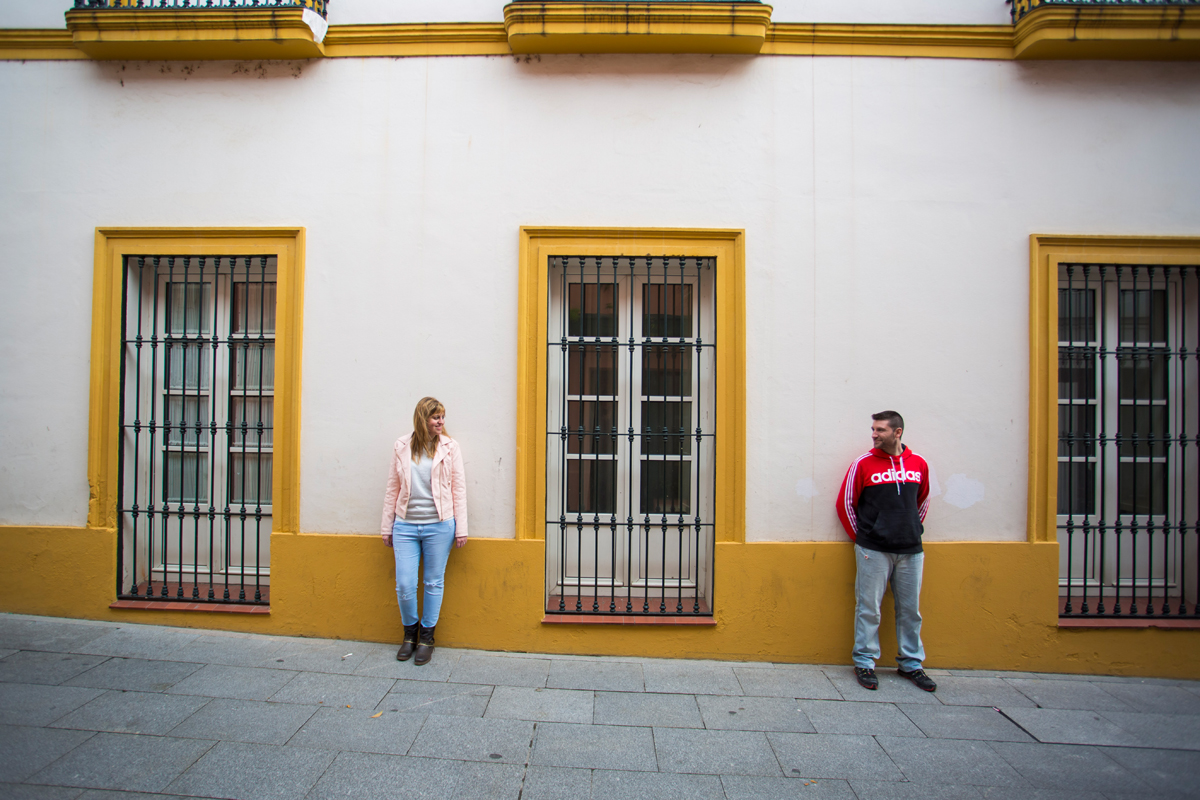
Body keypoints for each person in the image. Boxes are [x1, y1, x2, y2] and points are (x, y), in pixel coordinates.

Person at [835, 410, 936, 693]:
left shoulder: (919, 464)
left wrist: (910, 528)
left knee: (910, 610)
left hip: (911, 550)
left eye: (880, 429)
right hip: (873, 549)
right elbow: (845, 503)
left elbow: (923, 501)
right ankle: (865, 662)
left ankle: (911, 664)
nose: (874, 434)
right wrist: (865, 537)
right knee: (868, 608)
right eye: (873, 429)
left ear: (897, 432)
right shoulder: (863, 464)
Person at [381, 397, 468, 665]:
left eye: (442, 416)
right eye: (435, 417)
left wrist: (461, 528)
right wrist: (387, 526)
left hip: (440, 525)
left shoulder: (450, 448)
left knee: (433, 582)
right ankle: (410, 634)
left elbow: (458, 488)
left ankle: (427, 638)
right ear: (422, 419)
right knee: (405, 584)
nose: (441, 421)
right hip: (405, 525)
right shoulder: (402, 446)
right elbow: (392, 488)